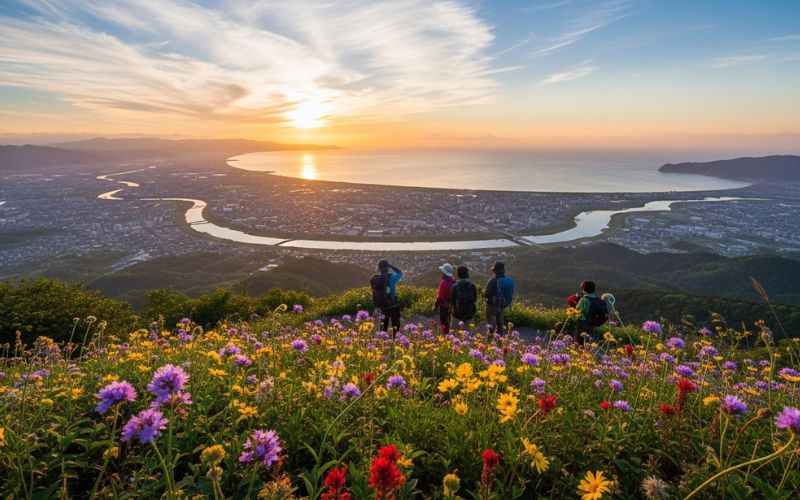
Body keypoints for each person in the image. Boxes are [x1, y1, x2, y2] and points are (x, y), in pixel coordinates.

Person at [370, 260, 403, 334]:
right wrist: (391, 265)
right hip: (393, 305)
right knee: (395, 325)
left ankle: (382, 341)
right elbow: (400, 273)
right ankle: (395, 340)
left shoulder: (375, 279)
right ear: (387, 268)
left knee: (383, 326)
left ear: (379, 268)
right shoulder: (391, 277)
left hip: (382, 306)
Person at [484, 261, 515, 338]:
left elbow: (486, 294)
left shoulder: (493, 281)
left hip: (492, 306)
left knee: (491, 324)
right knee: (500, 324)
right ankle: (500, 341)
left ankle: (489, 340)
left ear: (495, 271)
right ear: (504, 270)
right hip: (502, 306)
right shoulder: (508, 280)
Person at [435, 263, 456, 334]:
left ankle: (444, 336)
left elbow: (440, 296)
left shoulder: (443, 282)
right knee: (449, 321)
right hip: (451, 306)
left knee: (443, 323)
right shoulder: (453, 281)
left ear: (444, 272)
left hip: (444, 306)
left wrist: (435, 306)